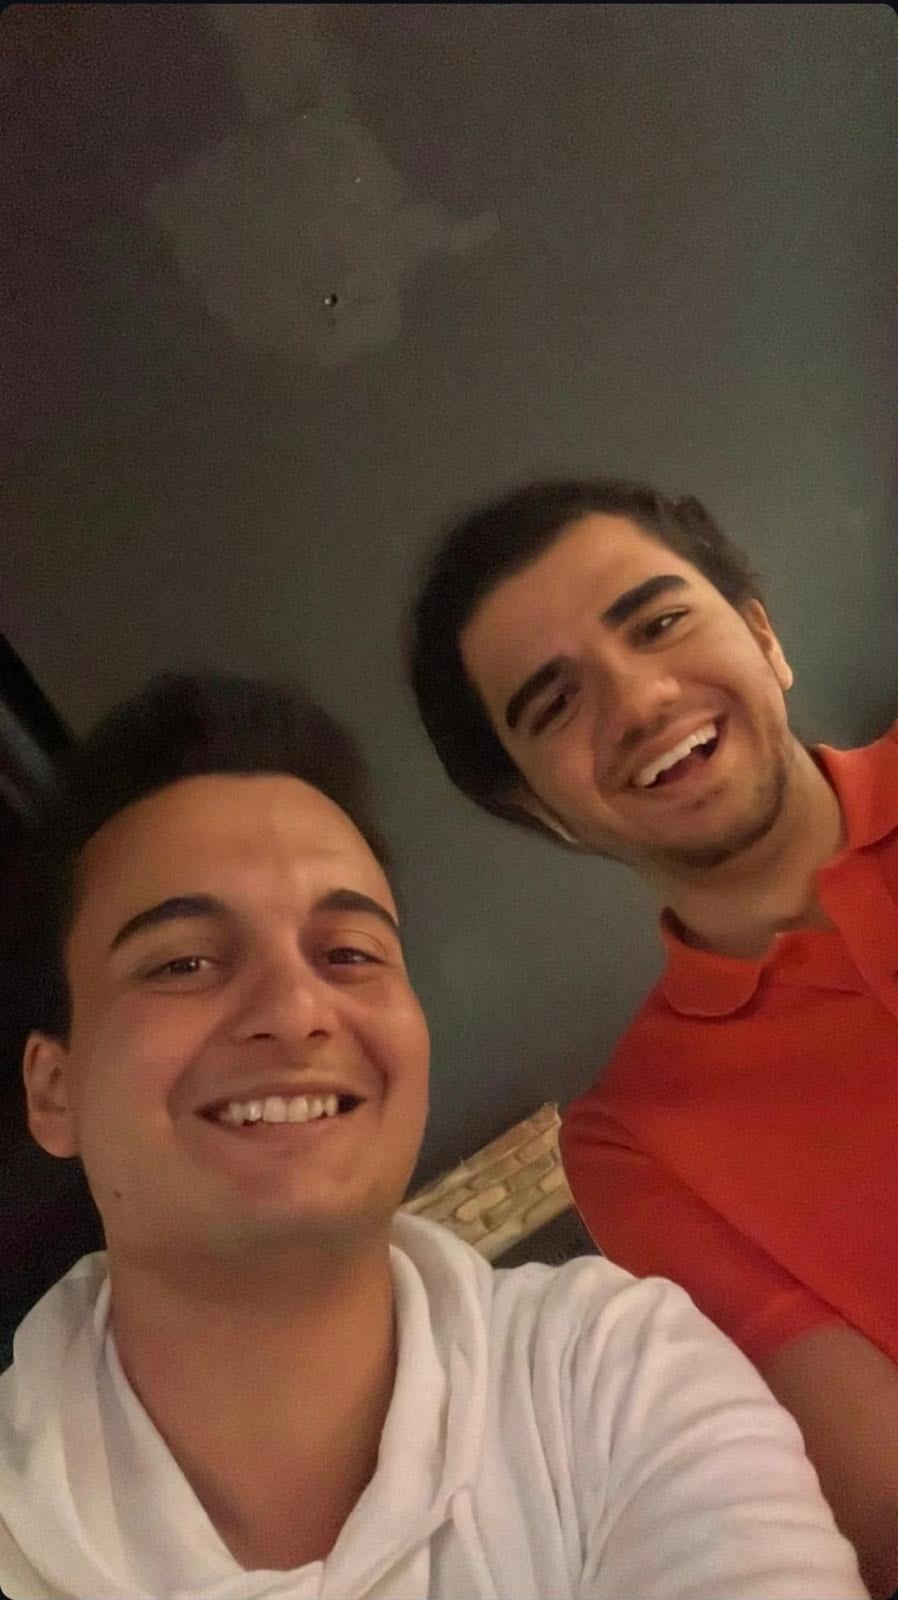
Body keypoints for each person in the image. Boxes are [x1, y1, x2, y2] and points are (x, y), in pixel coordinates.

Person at [0, 672, 864, 1600]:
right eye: (183, 963)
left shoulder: (614, 1373)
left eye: (350, 954)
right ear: (53, 1091)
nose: (295, 1011)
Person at [408, 476, 898, 1599]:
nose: (639, 699)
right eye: (554, 705)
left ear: (763, 635)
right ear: (540, 809)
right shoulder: (634, 1143)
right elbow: (879, 1508)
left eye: (660, 621)